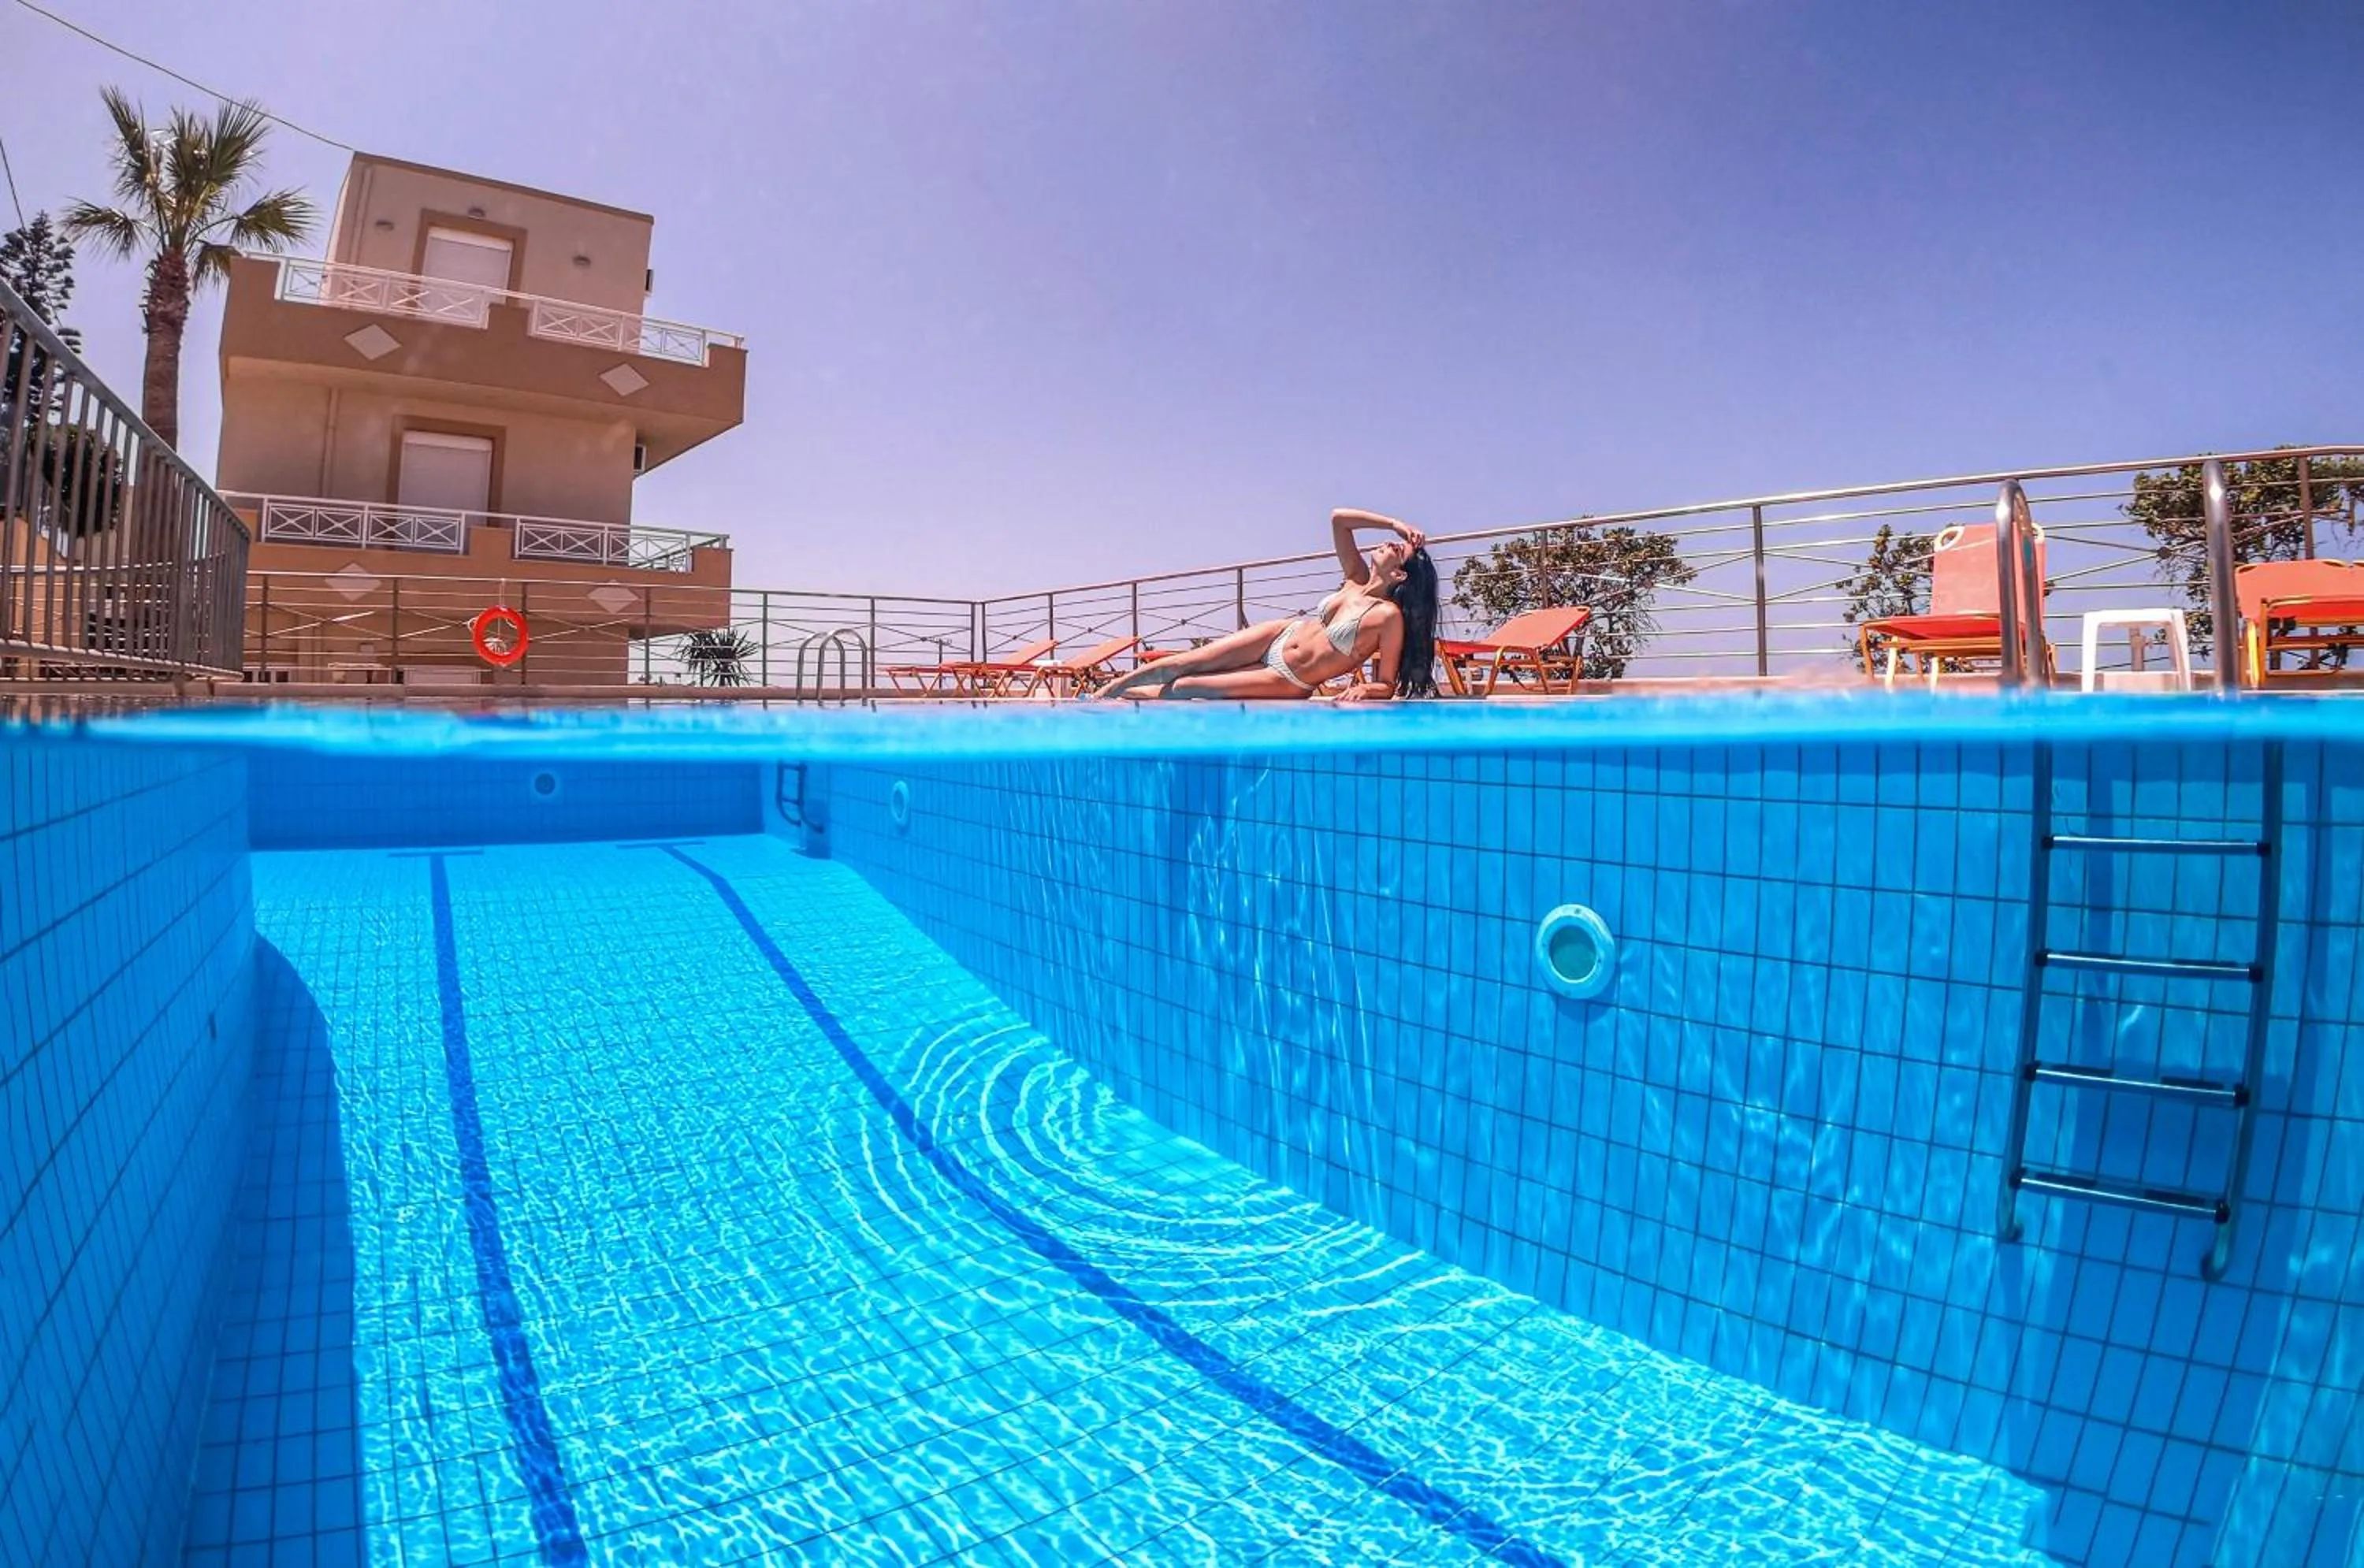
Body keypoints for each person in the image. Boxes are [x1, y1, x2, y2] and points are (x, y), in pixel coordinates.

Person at [1097, 509, 1440, 700]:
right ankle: (1107, 692)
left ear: (1400, 574)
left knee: (1188, 686)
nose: (1386, 542)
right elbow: (1339, 519)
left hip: (1287, 677)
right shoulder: (1355, 577)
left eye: (1396, 548)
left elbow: (1387, 684)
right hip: (1279, 633)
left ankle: (1126, 697)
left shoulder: (1387, 617)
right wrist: (1395, 523)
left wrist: (1367, 689)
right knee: (1185, 662)